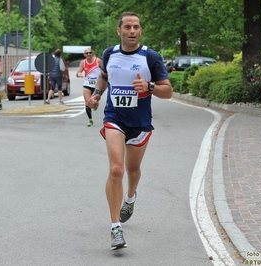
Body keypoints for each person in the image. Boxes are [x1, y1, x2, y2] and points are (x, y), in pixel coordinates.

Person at [87, 11, 173, 250]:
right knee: (116, 170)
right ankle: (116, 228)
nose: (132, 31)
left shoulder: (151, 57)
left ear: (140, 30)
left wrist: (149, 86)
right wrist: (96, 94)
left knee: (132, 170)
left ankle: (130, 197)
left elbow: (168, 91)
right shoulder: (109, 54)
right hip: (114, 118)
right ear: (119, 30)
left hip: (140, 122)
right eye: (128, 27)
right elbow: (104, 77)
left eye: (136, 27)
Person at [76, 48, 102, 127]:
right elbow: (78, 72)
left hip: (97, 85)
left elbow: (105, 70)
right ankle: (90, 120)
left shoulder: (98, 61)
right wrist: (79, 74)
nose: (89, 54)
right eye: (87, 53)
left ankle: (95, 105)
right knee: (87, 102)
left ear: (92, 53)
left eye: (90, 53)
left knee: (94, 102)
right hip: (87, 84)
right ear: (84, 55)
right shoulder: (83, 63)